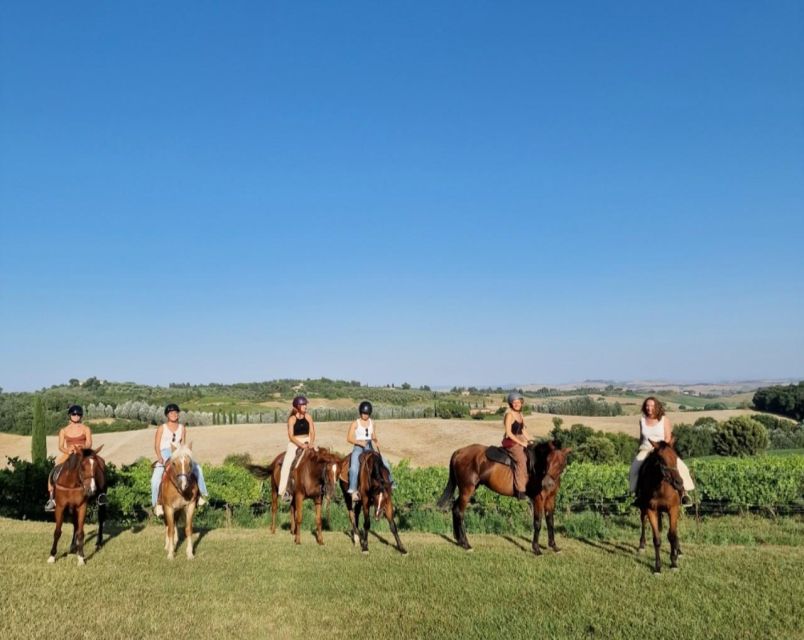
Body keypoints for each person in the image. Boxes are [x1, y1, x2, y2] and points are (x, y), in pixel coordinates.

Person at [629, 397, 695, 505]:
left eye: (652, 406)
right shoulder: (642, 421)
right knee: (634, 469)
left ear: (657, 407)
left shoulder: (664, 420)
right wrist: (639, 449)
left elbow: (668, 438)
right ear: (644, 407)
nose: (649, 408)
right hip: (646, 449)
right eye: (647, 406)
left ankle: (684, 493)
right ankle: (637, 494)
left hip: (662, 450)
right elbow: (642, 437)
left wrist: (661, 449)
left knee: (682, 468)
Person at [150, 403, 209, 517]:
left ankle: (201, 495)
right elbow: (157, 445)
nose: (174, 414)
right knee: (155, 479)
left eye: (176, 412)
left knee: (198, 469)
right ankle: (157, 504)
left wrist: (186, 455)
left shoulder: (182, 428)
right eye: (171, 413)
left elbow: (182, 445)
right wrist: (159, 457)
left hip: (179, 453)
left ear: (178, 414)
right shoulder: (162, 428)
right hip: (165, 453)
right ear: (167, 415)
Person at [45, 405, 92, 511]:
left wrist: (82, 447)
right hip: (69, 454)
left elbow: (89, 443)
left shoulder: (86, 429)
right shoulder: (64, 430)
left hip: (82, 453)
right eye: (74, 414)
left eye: (78, 414)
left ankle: (101, 494)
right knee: (54, 470)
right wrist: (68, 450)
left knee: (97, 465)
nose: (76, 416)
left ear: (81, 416)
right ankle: (52, 498)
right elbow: (60, 446)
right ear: (70, 415)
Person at [346, 401, 395, 499]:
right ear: (360, 413)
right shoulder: (355, 423)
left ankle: (391, 484)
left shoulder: (372, 423)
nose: (365, 415)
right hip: (358, 447)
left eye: (367, 414)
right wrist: (359, 442)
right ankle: (353, 490)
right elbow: (349, 438)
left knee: (385, 463)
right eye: (364, 413)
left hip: (369, 447)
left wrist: (376, 441)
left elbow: (373, 435)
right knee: (354, 468)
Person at [278, 395, 317, 502]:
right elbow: (291, 436)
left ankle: (321, 487)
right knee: (287, 463)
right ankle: (284, 491)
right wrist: (301, 445)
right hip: (295, 443)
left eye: (306, 404)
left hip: (308, 441)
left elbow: (312, 432)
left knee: (319, 457)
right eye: (303, 404)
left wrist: (311, 442)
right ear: (298, 406)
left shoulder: (308, 416)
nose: (306, 406)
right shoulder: (292, 419)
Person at [502, 392, 531, 499]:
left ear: (521, 403)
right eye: (514, 402)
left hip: (520, 439)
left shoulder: (520, 415)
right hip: (511, 442)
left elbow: (523, 430)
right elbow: (509, 433)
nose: (517, 404)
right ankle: (520, 491)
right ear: (511, 404)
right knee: (521, 460)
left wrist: (531, 440)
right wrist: (522, 443)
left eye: (518, 402)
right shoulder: (509, 415)